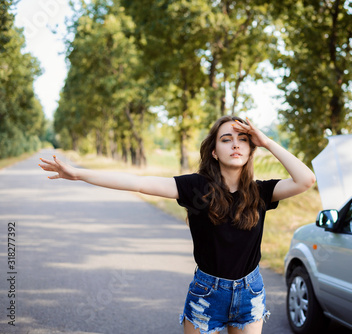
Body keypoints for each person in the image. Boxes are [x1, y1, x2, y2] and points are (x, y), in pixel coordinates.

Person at [39, 116, 316, 334]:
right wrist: (78, 174)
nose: (236, 144)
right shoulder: (196, 187)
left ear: (250, 149)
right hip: (208, 293)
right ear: (215, 152)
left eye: (243, 140)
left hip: (251, 291)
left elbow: (306, 180)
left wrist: (266, 141)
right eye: (226, 139)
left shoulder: (260, 192)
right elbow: (139, 182)